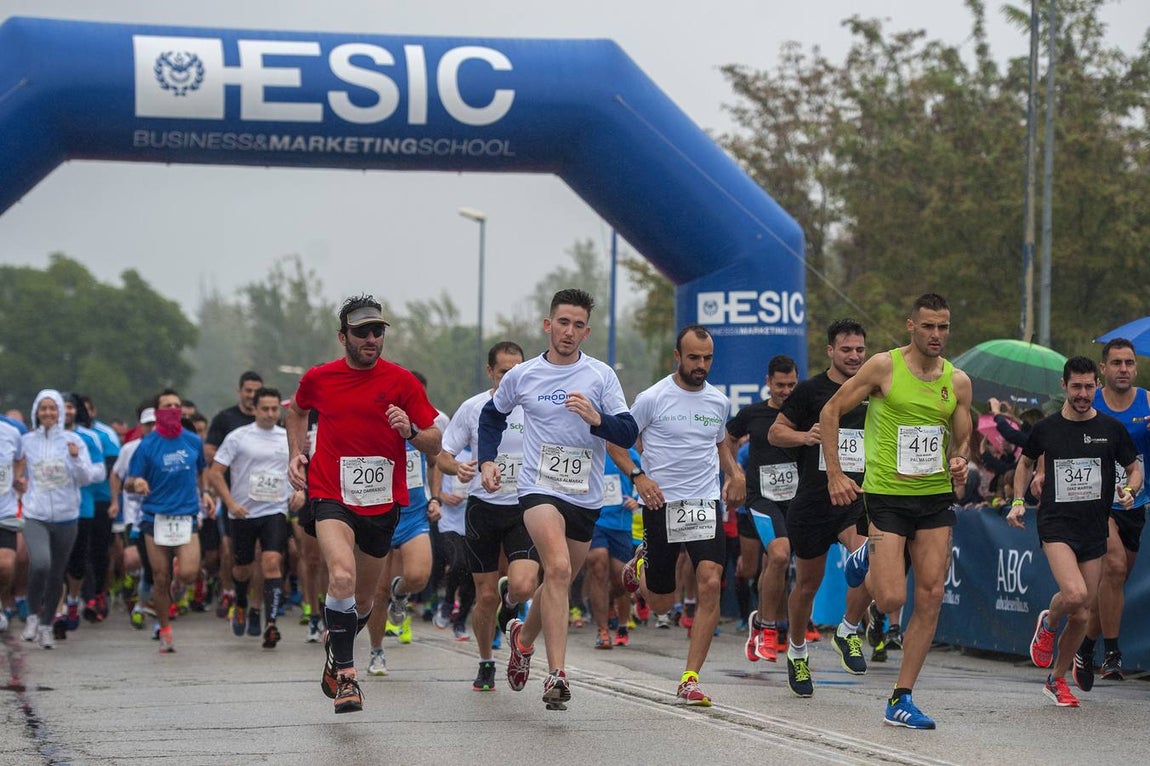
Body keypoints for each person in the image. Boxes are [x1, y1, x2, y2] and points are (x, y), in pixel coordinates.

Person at [477, 289, 637, 711]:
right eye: (562, 323)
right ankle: (558, 675)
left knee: (556, 582)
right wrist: (487, 461)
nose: (569, 332)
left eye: (578, 325)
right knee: (560, 568)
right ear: (548, 325)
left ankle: (522, 639)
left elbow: (626, 431)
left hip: (585, 495)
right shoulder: (523, 374)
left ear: (587, 330)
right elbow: (492, 415)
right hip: (538, 488)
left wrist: (598, 419)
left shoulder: (601, 376)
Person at [823, 294, 972, 729]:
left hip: (934, 498)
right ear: (911, 326)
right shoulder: (884, 367)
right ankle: (864, 554)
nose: (936, 335)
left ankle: (901, 697)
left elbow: (961, 439)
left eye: (943, 327)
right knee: (891, 598)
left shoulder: (957, 382)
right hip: (887, 496)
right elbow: (830, 410)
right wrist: (835, 473)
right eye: (928, 326)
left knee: (930, 595)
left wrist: (961, 459)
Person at [287, 295, 441, 714]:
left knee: (365, 598)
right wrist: (296, 453)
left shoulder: (403, 382)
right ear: (343, 337)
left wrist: (409, 429)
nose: (372, 339)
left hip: (382, 500)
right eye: (362, 332)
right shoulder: (319, 378)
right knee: (340, 576)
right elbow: (296, 411)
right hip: (330, 492)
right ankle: (349, 680)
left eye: (378, 331)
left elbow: (434, 441)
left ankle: (337, 644)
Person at [613, 324, 743, 706]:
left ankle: (690, 677)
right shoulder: (652, 398)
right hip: (661, 505)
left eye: (707, 359)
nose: (701, 365)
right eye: (694, 358)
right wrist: (639, 478)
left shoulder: (718, 402)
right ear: (677, 356)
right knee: (660, 604)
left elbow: (720, 444)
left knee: (709, 581)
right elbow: (615, 443)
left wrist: (734, 472)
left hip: (703, 504)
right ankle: (641, 568)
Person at [1009, 355, 1140, 707]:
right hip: (1056, 525)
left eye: (1088, 386)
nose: (1083, 394)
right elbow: (1023, 463)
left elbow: (1134, 467)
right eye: (1076, 387)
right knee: (1075, 593)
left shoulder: (1111, 429)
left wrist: (1131, 490)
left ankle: (1057, 679)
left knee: (1082, 613)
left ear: (1097, 386)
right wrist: (1018, 500)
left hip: (1094, 527)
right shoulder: (1047, 429)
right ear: (1063, 386)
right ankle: (1049, 623)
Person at [767, 319, 873, 699]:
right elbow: (775, 431)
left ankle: (848, 629)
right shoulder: (811, 390)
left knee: (871, 559)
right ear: (831, 351)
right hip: (813, 499)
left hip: (858, 496)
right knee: (807, 584)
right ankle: (797, 651)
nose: (855, 356)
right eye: (847, 350)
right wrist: (805, 435)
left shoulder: (874, 389)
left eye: (860, 350)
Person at [438, 341, 540, 692]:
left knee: (525, 586)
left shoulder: (535, 405)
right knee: (484, 597)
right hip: (483, 508)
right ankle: (485, 661)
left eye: (517, 371)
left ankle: (509, 605)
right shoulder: (473, 408)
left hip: (524, 506)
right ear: (490, 372)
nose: (511, 377)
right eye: (503, 372)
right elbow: (443, 455)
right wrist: (460, 468)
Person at [1074, 338, 1150, 683]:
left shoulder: (1148, 402)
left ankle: (1086, 647)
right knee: (1115, 564)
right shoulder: (1090, 400)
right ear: (1102, 368)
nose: (1124, 369)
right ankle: (1113, 652)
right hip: (1096, 501)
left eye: (1129, 363)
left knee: (1115, 580)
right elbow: (1060, 436)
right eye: (1117, 363)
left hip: (1136, 502)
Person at [208, 387, 303, 649]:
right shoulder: (238, 437)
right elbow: (215, 473)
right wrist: (230, 503)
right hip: (243, 512)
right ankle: (241, 603)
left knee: (272, 562)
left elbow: (300, 469)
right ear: (254, 409)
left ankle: (270, 624)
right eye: (265, 409)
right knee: (242, 568)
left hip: (274, 510)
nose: (271, 414)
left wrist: (300, 492)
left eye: (275, 409)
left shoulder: (286, 438)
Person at [724, 354, 799, 664]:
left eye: (791, 385)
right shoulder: (752, 414)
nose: (785, 391)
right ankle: (768, 628)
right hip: (761, 499)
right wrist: (735, 474)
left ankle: (767, 622)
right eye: (780, 385)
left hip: (795, 500)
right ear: (768, 383)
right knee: (778, 555)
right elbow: (725, 440)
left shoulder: (804, 414)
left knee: (779, 564)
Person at [127, 389, 213, 653]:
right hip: (156, 517)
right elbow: (130, 481)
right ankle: (164, 629)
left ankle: (177, 585)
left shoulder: (192, 440)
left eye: (176, 405)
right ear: (157, 412)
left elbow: (202, 470)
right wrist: (138, 483)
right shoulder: (147, 445)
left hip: (186, 515)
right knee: (160, 577)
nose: (173, 410)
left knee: (187, 573)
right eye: (167, 406)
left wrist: (206, 493)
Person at [20, 390, 103, 648]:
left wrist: (76, 458)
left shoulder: (74, 440)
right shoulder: (27, 441)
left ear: (60, 413)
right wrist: (17, 482)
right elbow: (14, 466)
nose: (48, 413)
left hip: (67, 516)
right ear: (36, 412)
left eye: (52, 409)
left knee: (57, 574)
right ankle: (33, 615)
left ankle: (47, 626)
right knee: (41, 564)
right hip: (36, 514)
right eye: (43, 408)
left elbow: (87, 477)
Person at [206, 371, 264, 623]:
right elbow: (209, 451)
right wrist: (236, 456)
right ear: (239, 391)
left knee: (263, 553)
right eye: (248, 391)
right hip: (232, 494)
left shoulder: (271, 420)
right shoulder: (225, 419)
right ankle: (230, 591)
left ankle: (255, 604)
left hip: (265, 498)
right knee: (229, 549)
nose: (252, 396)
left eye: (256, 391)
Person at [587, 447, 640, 649]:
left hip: (620, 523)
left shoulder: (630, 454)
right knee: (598, 564)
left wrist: (637, 500)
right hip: (594, 520)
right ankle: (602, 631)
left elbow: (646, 479)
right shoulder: (590, 448)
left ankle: (615, 612)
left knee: (622, 580)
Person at [0, 416, 22, 633]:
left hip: (4, 512)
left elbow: (22, 457)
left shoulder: (11, 432)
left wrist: (17, 477)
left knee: (6, 565)